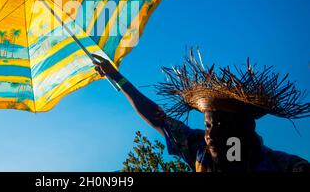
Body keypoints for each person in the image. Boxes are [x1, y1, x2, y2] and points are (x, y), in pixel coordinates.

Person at [92, 53, 310, 172]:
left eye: (222, 126)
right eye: (208, 125)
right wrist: (117, 78)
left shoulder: (283, 165)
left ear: (242, 131)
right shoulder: (199, 148)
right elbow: (156, 117)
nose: (211, 135)